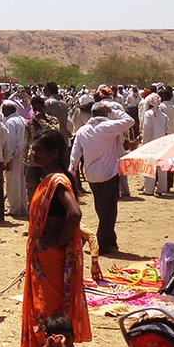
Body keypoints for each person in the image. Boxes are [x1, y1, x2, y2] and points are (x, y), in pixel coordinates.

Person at [19, 129, 92, 347]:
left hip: (51, 263)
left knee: (46, 318)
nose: (34, 154)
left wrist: (59, 241)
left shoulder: (59, 182)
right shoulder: (48, 179)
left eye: (39, 150)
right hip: (43, 262)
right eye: (34, 150)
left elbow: (74, 213)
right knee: (44, 315)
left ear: (55, 153)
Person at [68, 101, 134, 255]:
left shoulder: (82, 131)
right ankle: (101, 243)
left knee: (101, 208)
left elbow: (75, 153)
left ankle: (110, 240)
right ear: (105, 114)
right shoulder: (108, 127)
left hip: (91, 175)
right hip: (108, 174)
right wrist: (115, 111)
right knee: (110, 210)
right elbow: (130, 121)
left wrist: (72, 170)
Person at [3, 101, 29, 217]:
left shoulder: (10, 122)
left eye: (4, 109)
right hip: (22, 153)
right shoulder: (22, 120)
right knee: (22, 182)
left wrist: (7, 159)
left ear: (9, 109)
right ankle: (23, 207)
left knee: (12, 183)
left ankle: (14, 208)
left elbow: (10, 142)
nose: (2, 112)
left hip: (14, 155)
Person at [140, 93, 170, 196]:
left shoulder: (148, 114)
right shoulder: (164, 115)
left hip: (151, 143)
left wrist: (144, 143)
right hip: (162, 143)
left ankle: (148, 189)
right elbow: (166, 130)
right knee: (162, 168)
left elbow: (147, 129)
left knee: (149, 166)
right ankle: (161, 189)